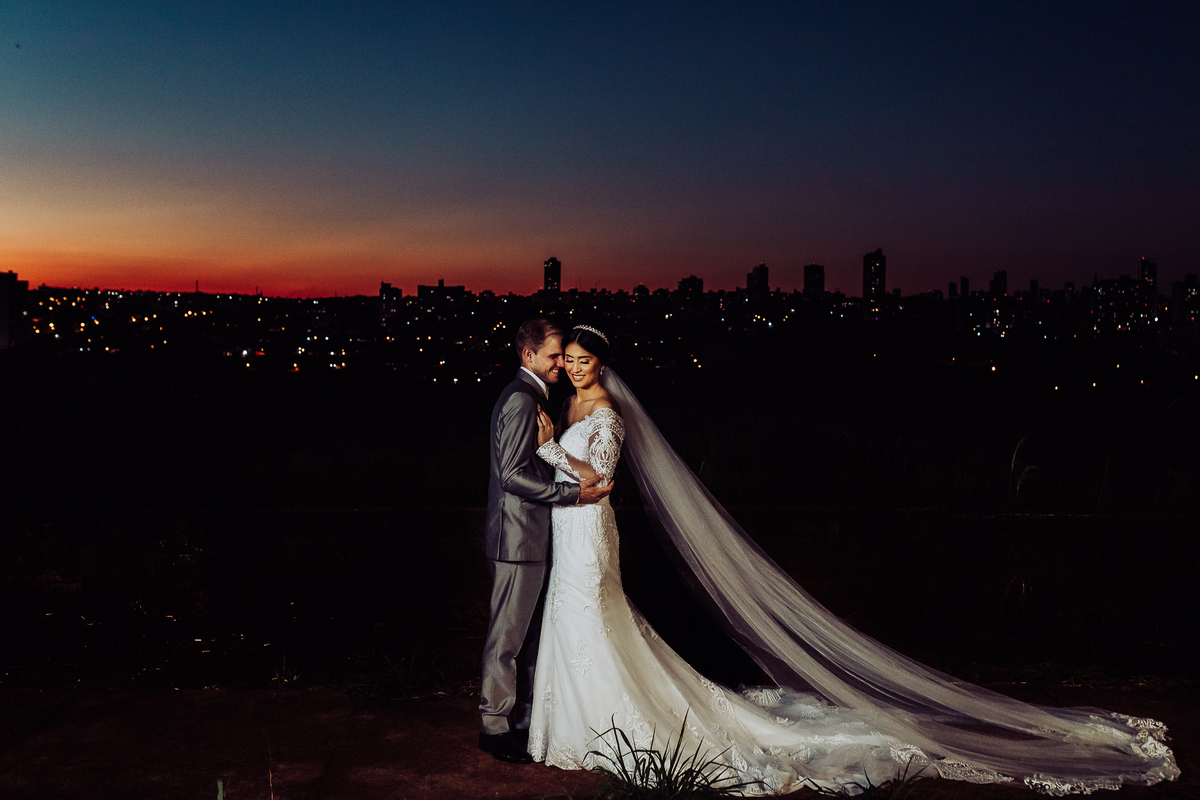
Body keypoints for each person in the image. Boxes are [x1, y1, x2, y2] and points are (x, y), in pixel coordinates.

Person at [526, 324, 1178, 794]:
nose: (576, 369)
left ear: (603, 365)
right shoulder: (571, 403)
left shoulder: (606, 414)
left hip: (590, 528)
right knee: (576, 619)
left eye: (585, 361)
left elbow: (601, 481)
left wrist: (551, 451)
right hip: (567, 526)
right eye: (570, 361)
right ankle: (575, 723)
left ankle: (605, 724)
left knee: (592, 615)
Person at [478, 319, 614, 764]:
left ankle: (520, 718)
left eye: (568, 357)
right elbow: (512, 475)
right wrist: (571, 493)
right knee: (507, 639)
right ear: (528, 355)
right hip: (517, 538)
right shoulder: (522, 398)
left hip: (534, 535)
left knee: (527, 635)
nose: (562, 364)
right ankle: (494, 727)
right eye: (555, 355)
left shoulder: (536, 396)